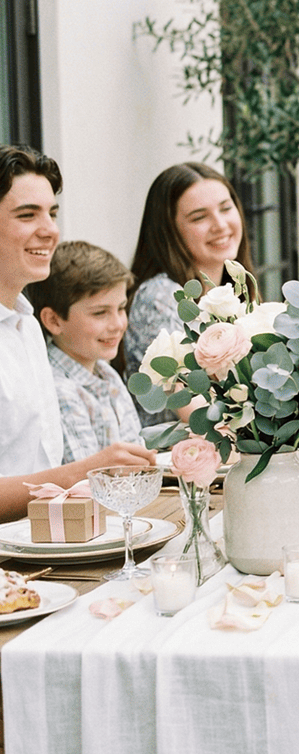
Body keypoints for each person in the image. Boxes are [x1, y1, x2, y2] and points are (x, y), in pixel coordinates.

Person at [0, 146, 152, 520]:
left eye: (52, 213)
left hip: (44, 549)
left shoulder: (28, 326)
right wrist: (80, 474)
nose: (50, 230)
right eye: (26, 215)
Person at [124, 161, 254, 425]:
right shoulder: (161, 297)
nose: (220, 225)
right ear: (169, 231)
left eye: (226, 208)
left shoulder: (234, 294)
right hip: (173, 459)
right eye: (199, 217)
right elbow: (200, 417)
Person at [24, 242, 143, 463]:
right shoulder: (57, 390)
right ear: (53, 320)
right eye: (100, 313)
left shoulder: (107, 374)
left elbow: (135, 458)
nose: (117, 324)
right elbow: (85, 479)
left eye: (121, 308)